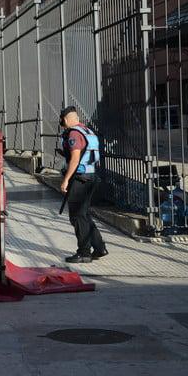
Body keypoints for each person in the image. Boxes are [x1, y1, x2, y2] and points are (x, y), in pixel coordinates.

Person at [59, 106, 108, 263]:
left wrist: (66, 179)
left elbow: (75, 158)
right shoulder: (87, 131)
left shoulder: (73, 133)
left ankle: (84, 253)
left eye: (63, 122)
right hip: (91, 175)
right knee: (84, 214)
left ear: (66, 120)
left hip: (80, 179)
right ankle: (100, 248)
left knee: (77, 216)